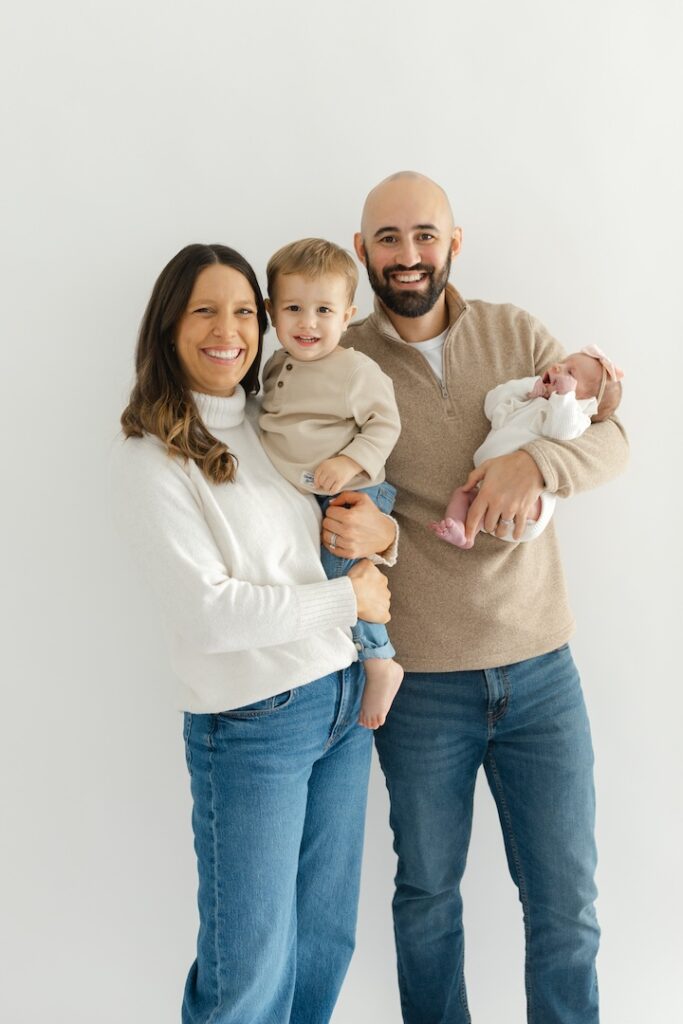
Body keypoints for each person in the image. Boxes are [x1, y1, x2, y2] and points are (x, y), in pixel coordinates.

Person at [339, 172, 629, 1024]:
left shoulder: (513, 334)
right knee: (427, 898)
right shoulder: (341, 361)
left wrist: (534, 462)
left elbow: (609, 439)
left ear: (453, 243)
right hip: (420, 684)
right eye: (386, 239)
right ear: (361, 252)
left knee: (566, 907)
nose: (406, 254)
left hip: (541, 674)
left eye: (423, 235)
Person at [110, 243, 397, 1024]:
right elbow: (209, 613)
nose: (228, 329)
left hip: (340, 704)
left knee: (323, 943)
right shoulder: (155, 456)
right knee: (248, 969)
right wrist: (348, 607)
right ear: (169, 325)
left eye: (244, 311)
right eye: (205, 309)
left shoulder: (269, 428)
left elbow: (328, 541)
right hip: (254, 724)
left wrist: (382, 543)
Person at [260, 237, 403, 728]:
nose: (308, 323)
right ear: (271, 313)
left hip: (352, 494)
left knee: (342, 577)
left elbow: (385, 425)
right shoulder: (276, 366)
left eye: (324, 309)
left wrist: (348, 461)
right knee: (319, 577)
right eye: (294, 308)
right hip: (309, 493)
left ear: (347, 315)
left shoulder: (354, 371)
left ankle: (380, 660)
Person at [430, 346, 624, 547]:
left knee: (502, 502)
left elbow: (561, 431)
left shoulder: (575, 418)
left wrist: (563, 397)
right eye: (563, 362)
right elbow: (492, 405)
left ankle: (478, 525)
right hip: (484, 484)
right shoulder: (532, 402)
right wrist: (529, 387)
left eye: (570, 372)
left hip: (532, 504)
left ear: (586, 403)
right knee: (462, 494)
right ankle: (463, 532)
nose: (558, 366)